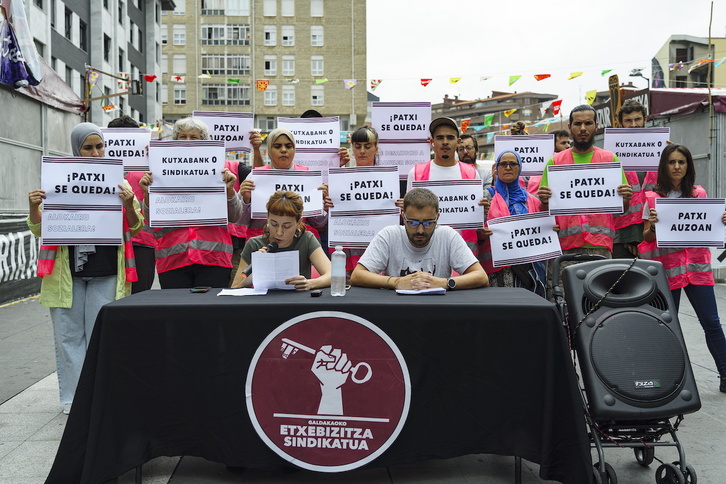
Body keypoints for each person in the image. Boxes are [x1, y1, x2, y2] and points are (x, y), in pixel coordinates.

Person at [27, 122, 143, 414]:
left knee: (100, 336)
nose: (95, 152)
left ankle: (102, 395)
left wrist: (129, 204)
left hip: (107, 273)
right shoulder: (54, 180)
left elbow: (137, 225)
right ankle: (75, 399)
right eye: (88, 147)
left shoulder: (121, 183)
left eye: (99, 146)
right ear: (76, 149)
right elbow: (39, 229)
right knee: (68, 337)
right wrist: (33, 208)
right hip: (66, 274)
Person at [639, 144, 726, 393]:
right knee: (667, 325)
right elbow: (645, 237)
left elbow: (708, 227)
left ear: (689, 166)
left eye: (682, 162)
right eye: (672, 162)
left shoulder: (700, 194)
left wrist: (720, 221)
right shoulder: (652, 198)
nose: (677, 167)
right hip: (667, 272)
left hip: (697, 270)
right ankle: (669, 379)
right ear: (664, 167)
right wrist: (653, 226)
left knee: (711, 322)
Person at [537, 105, 633, 300]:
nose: (583, 128)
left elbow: (622, 208)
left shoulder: (609, 159)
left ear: (596, 126)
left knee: (600, 303)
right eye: (578, 123)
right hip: (566, 250)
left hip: (601, 248)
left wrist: (626, 197)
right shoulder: (555, 162)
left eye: (588, 123)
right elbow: (545, 209)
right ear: (570, 127)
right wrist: (544, 201)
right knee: (565, 305)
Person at [139, 117, 242, 288]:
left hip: (213, 256)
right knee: (177, 313)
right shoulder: (159, 171)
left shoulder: (219, 170)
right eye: (183, 136)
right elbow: (149, 222)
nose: (188, 141)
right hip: (173, 257)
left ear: (204, 142)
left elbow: (235, 216)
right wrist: (147, 193)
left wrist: (230, 191)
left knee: (210, 313)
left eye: (194, 137)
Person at [350, 188, 489, 290]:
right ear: (403, 217)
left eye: (428, 223)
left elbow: (481, 277)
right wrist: (396, 282)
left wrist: (444, 283)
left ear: (437, 218)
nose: (420, 230)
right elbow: (357, 275)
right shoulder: (389, 235)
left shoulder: (447, 235)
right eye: (413, 223)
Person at [406, 117, 485, 256]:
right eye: (440, 137)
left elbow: (476, 217)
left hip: (463, 249)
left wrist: (483, 210)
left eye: (450, 137)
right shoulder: (416, 173)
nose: (445, 142)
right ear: (432, 142)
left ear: (458, 142)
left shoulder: (471, 173)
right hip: (426, 249)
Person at [231, 190, 331, 291]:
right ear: (267, 218)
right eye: (274, 224)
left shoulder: (306, 239)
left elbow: (333, 275)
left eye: (286, 226)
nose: (279, 232)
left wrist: (309, 283)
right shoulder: (254, 244)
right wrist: (256, 270)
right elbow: (235, 287)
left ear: (298, 222)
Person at [478, 151, 547, 296]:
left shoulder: (531, 200)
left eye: (513, 164)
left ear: (519, 168)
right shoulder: (486, 197)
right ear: (497, 168)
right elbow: (475, 233)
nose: (508, 167)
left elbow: (540, 230)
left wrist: (548, 230)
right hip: (497, 273)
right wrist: (481, 232)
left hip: (527, 272)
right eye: (503, 164)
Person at [238, 128, 328, 238]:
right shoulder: (255, 177)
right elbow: (240, 221)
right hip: (262, 245)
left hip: (300, 245)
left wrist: (321, 203)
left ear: (294, 149)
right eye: (277, 146)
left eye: (289, 146)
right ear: (270, 149)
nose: (284, 150)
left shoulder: (308, 176)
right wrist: (245, 200)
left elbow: (320, 223)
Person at [108, 115, 157, 293]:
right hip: (109, 241)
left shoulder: (152, 165)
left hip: (142, 241)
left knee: (139, 295)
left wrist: (156, 159)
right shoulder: (99, 167)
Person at [612, 99, 650, 259]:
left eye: (637, 119)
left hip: (652, 230)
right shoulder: (611, 153)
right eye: (628, 120)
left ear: (645, 120)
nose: (633, 124)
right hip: (622, 234)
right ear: (620, 123)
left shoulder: (660, 149)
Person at [526, 129, 570, 195]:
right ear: (552, 145)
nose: (568, 146)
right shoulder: (546, 162)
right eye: (563, 143)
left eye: (568, 142)